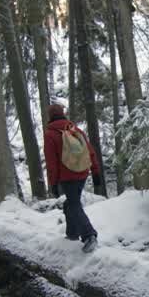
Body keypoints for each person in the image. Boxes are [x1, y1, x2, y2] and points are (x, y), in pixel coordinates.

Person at [43, 103, 101, 253]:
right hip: (82, 172)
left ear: (50, 116)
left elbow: (52, 163)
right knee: (70, 204)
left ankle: (89, 235)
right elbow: (90, 151)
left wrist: (53, 184)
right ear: (63, 114)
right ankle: (72, 234)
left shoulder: (50, 134)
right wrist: (95, 172)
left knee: (74, 204)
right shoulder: (75, 130)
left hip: (67, 177)